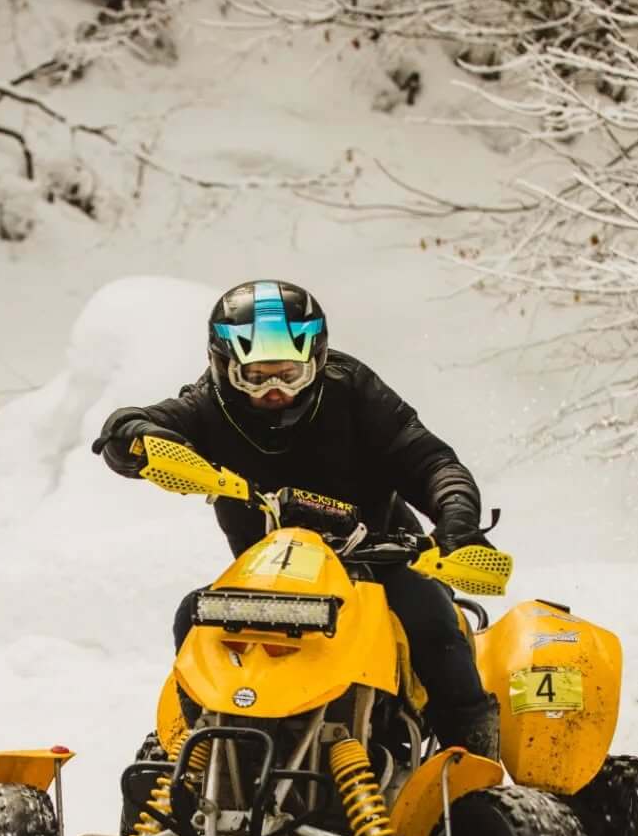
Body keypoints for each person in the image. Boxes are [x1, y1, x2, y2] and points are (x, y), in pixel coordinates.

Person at [92, 278, 500, 757]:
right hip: (268, 575)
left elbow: (432, 463)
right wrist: (140, 442)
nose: (274, 391)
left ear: (318, 360)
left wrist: (458, 523)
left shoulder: (356, 392)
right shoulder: (207, 405)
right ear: (223, 366)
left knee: (431, 619)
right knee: (193, 614)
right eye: (256, 375)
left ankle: (470, 762)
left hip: (377, 562)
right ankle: (204, 751)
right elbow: (129, 425)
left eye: (289, 372)